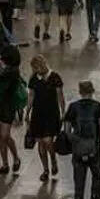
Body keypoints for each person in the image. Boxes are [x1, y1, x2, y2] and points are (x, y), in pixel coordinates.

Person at [25, 54, 65, 182]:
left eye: (35, 67)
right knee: (40, 143)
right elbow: (31, 95)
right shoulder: (34, 79)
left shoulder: (55, 77)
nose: (35, 70)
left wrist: (63, 111)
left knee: (48, 141)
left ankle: (53, 160)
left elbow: (60, 96)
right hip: (37, 114)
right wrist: (27, 111)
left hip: (51, 114)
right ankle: (45, 169)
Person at [0, 35, 25, 176]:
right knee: (1, 136)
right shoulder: (12, 69)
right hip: (2, 104)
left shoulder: (10, 72)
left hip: (7, 105)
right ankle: (5, 163)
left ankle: (16, 158)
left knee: (4, 135)